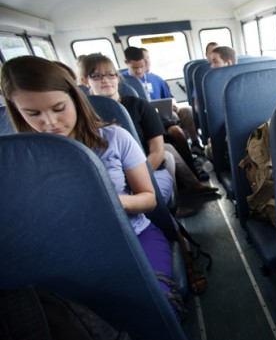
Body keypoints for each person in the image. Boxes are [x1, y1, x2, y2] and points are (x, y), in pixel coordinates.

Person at [0, 55, 185, 317]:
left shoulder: (116, 138)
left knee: (157, 310)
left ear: (75, 98)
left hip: (134, 236)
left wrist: (108, 200)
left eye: (58, 108)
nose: (50, 122)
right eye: (33, 114)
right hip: (64, 254)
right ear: (17, 112)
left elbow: (148, 199)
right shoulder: (15, 160)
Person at [79, 53, 218, 215]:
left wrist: (135, 180)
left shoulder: (140, 106)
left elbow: (157, 150)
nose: (105, 80)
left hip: (143, 163)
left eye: (111, 74)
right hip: (105, 176)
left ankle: (172, 209)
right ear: (84, 80)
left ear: (117, 77)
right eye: (97, 76)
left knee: (168, 154)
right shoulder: (79, 116)